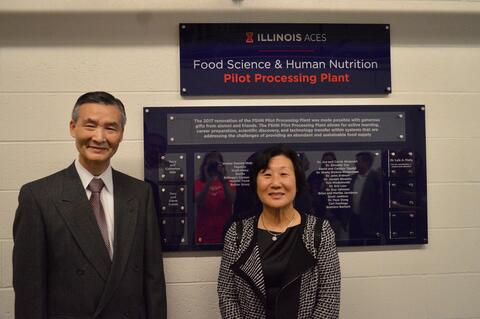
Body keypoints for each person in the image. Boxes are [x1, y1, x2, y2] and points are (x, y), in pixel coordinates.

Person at [12, 91, 167, 319]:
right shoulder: (38, 197)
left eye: (111, 128)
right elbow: (29, 292)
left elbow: (153, 280)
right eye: (90, 125)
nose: (99, 137)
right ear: (73, 127)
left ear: (121, 134)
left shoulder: (140, 193)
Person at [218, 145, 341, 319]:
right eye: (267, 175)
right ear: (255, 183)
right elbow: (227, 295)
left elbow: (329, 300)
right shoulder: (237, 233)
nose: (275, 183)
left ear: (297, 182)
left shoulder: (320, 232)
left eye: (284, 174)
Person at [195, 151, 236, 244]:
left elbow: (232, 200)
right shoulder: (199, 183)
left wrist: (224, 180)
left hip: (225, 231)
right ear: (205, 166)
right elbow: (199, 201)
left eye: (216, 164)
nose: (213, 167)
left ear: (222, 166)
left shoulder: (229, 182)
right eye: (210, 164)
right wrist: (208, 182)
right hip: (204, 232)